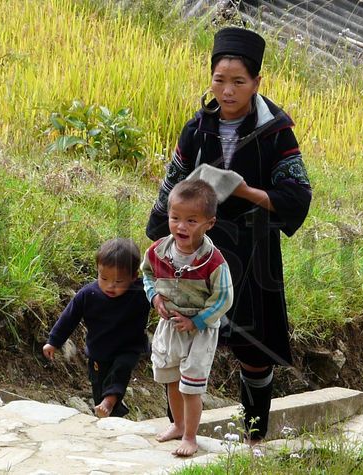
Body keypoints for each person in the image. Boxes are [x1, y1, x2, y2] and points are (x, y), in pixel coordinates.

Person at [146, 27, 312, 445]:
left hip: (252, 249)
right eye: (219, 80)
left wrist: (244, 191)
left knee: (254, 350)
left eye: (239, 81)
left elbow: (297, 195)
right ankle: (181, 427)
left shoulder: (275, 131)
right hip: (194, 249)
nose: (227, 90)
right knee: (183, 335)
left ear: (257, 82)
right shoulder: (198, 128)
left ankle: (255, 434)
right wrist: (159, 237)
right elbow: (174, 183)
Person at [141, 179, 234, 457]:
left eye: (192, 220)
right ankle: (178, 425)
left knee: (191, 385)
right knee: (170, 378)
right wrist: (155, 297)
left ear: (209, 223)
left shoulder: (214, 262)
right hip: (169, 324)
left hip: (199, 330)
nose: (181, 226)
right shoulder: (158, 251)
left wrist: (197, 322)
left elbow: (223, 298)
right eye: (175, 218)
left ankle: (191, 437)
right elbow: (146, 274)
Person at [43, 238, 150, 418]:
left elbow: (163, 295)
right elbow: (69, 317)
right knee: (99, 389)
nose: (110, 285)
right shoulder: (88, 294)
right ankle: (112, 411)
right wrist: (54, 341)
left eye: (118, 281)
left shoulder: (141, 292)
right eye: (104, 278)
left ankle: (110, 401)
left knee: (120, 370)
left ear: (133, 277)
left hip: (128, 347)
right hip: (98, 352)